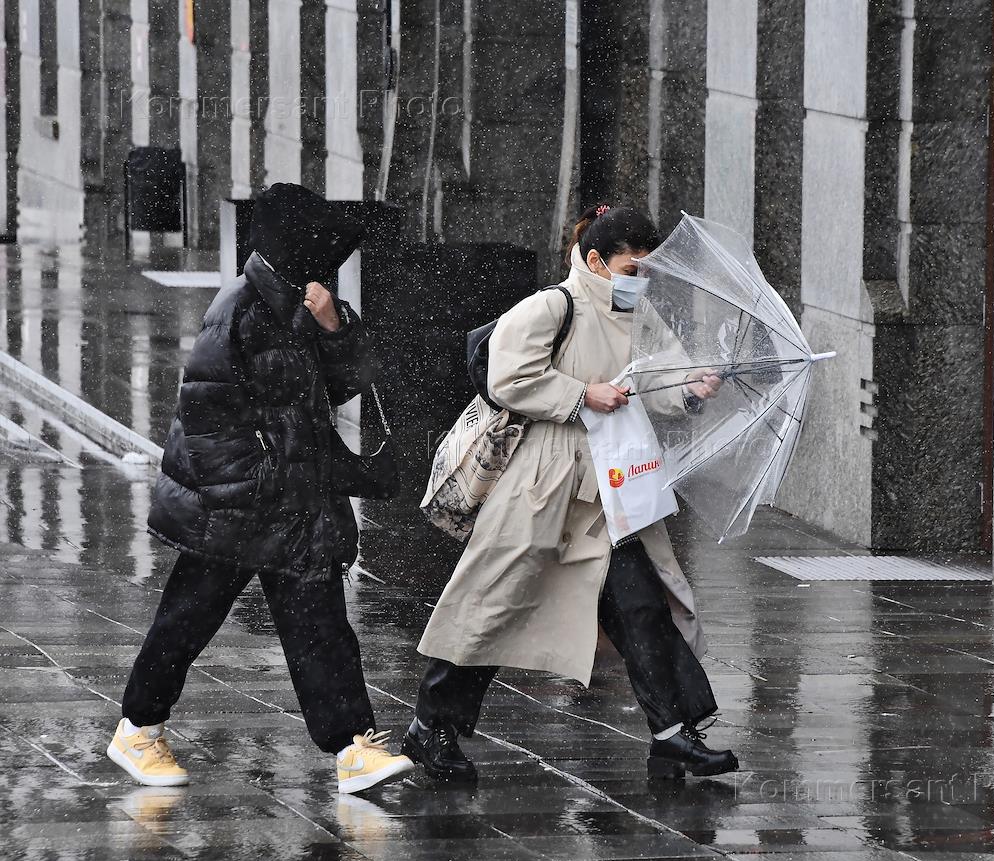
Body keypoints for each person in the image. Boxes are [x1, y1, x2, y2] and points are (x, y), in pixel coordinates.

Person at [404, 204, 738, 782]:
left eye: (649, 269)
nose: (641, 279)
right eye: (632, 268)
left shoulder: (640, 315)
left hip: (612, 487)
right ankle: (431, 726)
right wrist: (583, 394)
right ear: (596, 261)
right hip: (541, 481)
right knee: (493, 603)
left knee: (641, 605)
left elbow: (658, 378)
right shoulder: (552, 307)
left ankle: (672, 733)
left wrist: (691, 387)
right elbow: (507, 378)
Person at [107, 183, 414, 795]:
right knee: (186, 621)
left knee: (320, 626)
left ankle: (352, 748)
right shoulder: (239, 308)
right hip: (234, 509)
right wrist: (259, 484)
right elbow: (205, 417)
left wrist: (332, 325)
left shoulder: (302, 303)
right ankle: (138, 729)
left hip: (294, 504)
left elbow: (350, 381)